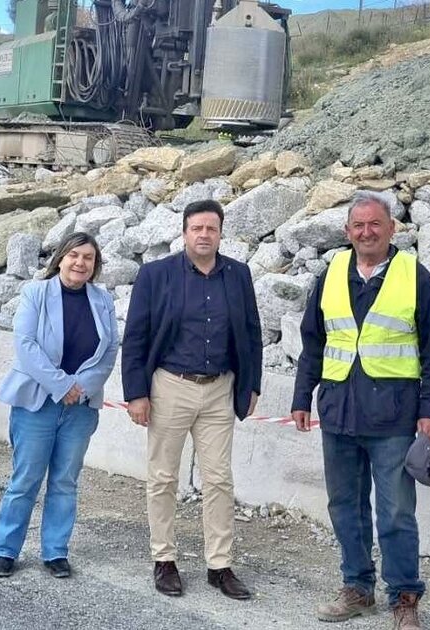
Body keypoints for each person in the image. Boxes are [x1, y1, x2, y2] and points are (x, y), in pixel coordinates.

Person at [290, 191, 430, 630]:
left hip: (393, 417)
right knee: (345, 507)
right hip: (338, 413)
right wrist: (302, 396)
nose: (366, 232)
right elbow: (314, 342)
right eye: (358, 225)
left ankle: (404, 598)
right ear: (347, 231)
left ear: (391, 228)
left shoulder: (413, 276)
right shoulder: (331, 273)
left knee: (396, 512)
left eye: (375, 224)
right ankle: (358, 588)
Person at [121, 199, 263, 600]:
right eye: (197, 228)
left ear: (221, 234)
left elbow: (251, 332)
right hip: (171, 386)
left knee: (218, 479)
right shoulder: (156, 275)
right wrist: (136, 393)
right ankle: (164, 559)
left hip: (220, 389)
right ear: (184, 232)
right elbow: (136, 336)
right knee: (163, 477)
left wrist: (251, 385)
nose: (204, 235)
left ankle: (220, 566)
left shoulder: (238, 274)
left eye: (211, 229)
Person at [0, 232, 119, 579]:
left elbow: (110, 351)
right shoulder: (36, 293)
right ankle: (5, 549)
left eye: (88, 258)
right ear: (61, 258)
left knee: (65, 481)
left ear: (95, 264)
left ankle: (55, 551)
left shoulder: (102, 300)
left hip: (80, 407)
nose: (80, 263)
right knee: (25, 479)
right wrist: (62, 386)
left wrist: (81, 389)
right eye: (74, 255)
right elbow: (26, 345)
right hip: (37, 403)